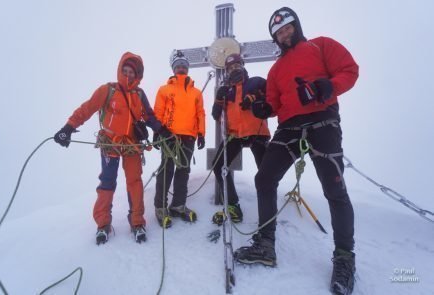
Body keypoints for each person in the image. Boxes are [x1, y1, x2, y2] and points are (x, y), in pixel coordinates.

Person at [233, 7, 359, 295]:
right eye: (278, 33)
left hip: (323, 120)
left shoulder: (321, 45)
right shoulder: (275, 70)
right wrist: (266, 108)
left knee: (335, 191)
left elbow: (349, 71)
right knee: (264, 180)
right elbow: (275, 103)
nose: (284, 34)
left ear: (296, 27)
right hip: (288, 127)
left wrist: (328, 86)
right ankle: (266, 245)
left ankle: (344, 258)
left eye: (287, 28)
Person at [54, 52, 165, 245]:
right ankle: (103, 224)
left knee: (134, 182)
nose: (128, 75)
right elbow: (87, 108)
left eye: (132, 72)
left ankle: (137, 222)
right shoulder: (108, 90)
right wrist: (68, 128)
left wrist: (162, 132)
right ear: (120, 70)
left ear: (138, 74)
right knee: (107, 182)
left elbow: (149, 116)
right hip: (109, 143)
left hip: (131, 145)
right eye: (126, 70)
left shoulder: (139, 94)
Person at [211, 53, 270, 225]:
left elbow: (271, 98)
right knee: (218, 166)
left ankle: (267, 212)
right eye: (230, 68)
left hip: (257, 132)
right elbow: (216, 115)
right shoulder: (226, 91)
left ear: (242, 66)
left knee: (266, 174)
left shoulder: (256, 82)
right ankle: (233, 206)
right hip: (235, 135)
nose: (233, 69)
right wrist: (218, 100)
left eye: (237, 66)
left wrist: (254, 98)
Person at [152, 50, 206, 228]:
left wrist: (201, 133)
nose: (181, 68)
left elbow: (200, 114)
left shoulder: (196, 93)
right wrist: (156, 131)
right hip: (169, 135)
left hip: (188, 136)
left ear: (187, 69)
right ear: (174, 69)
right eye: (178, 66)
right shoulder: (165, 89)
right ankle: (160, 207)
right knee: (166, 169)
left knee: (183, 170)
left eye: (184, 66)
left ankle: (178, 205)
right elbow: (158, 112)